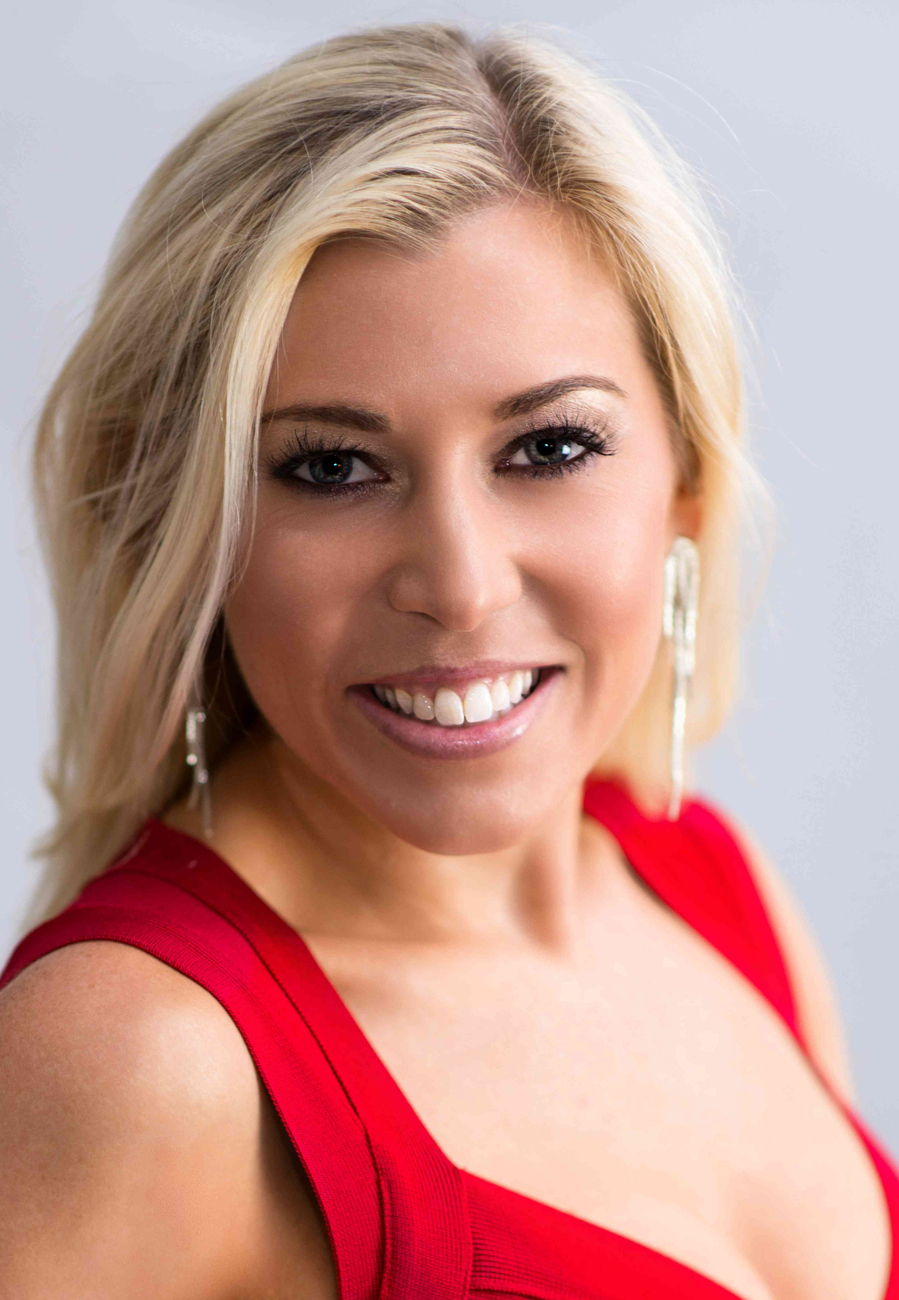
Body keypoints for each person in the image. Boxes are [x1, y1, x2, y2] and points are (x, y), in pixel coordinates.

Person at [0, 21, 893, 1300]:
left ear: (683, 485)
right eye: (330, 467)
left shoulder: (716, 891)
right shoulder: (140, 1059)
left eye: (548, 448)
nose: (461, 586)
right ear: (175, 524)